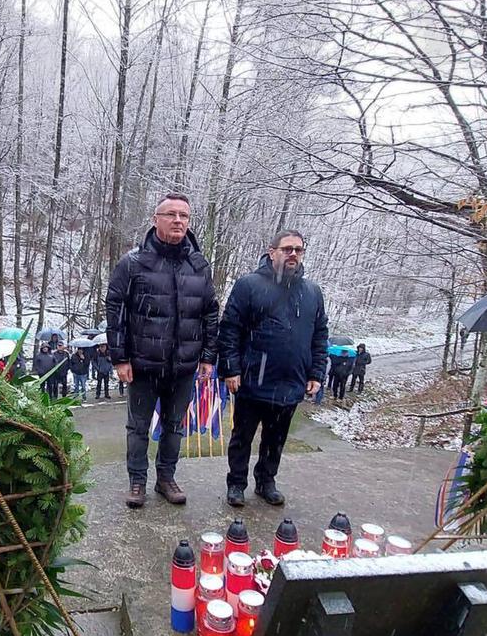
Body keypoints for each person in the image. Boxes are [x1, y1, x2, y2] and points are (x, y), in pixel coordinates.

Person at [105, 192, 219, 508]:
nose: (178, 220)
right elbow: (115, 310)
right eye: (170, 214)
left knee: (174, 426)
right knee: (138, 428)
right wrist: (120, 357)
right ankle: (137, 482)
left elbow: (210, 311)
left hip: (184, 366)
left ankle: (166, 479)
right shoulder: (133, 263)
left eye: (184, 215)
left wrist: (209, 356)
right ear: (156, 219)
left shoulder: (199, 265)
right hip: (143, 365)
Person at [218, 230, 327, 507]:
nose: (293, 254)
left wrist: (316, 373)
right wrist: (231, 368)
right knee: (242, 437)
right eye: (287, 249)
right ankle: (236, 484)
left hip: (291, 381)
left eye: (298, 250)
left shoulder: (312, 292)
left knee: (276, 438)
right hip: (252, 379)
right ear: (272, 251)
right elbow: (230, 329)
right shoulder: (249, 285)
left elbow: (320, 334)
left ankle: (266, 481)